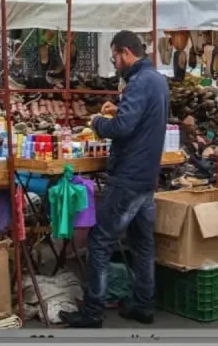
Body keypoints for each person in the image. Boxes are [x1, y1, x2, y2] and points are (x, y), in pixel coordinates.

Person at [59, 31, 169, 328]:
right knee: (142, 243)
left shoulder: (139, 82)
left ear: (125, 52)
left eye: (114, 57)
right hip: (147, 175)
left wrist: (98, 122)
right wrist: (119, 108)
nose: (115, 63)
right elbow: (141, 121)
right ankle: (143, 305)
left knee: (100, 240)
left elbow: (122, 127)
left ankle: (93, 310)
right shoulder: (157, 80)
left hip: (129, 176)